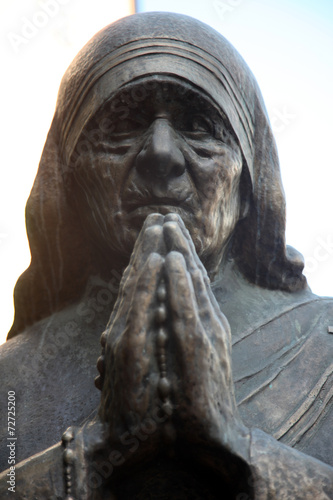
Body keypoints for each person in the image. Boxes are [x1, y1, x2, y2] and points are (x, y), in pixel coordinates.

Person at [0, 12, 332, 498]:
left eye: (199, 126)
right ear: (70, 179)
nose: (162, 154)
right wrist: (95, 451)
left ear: (248, 185)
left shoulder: (325, 350)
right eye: (122, 126)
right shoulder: (9, 383)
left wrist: (234, 448)